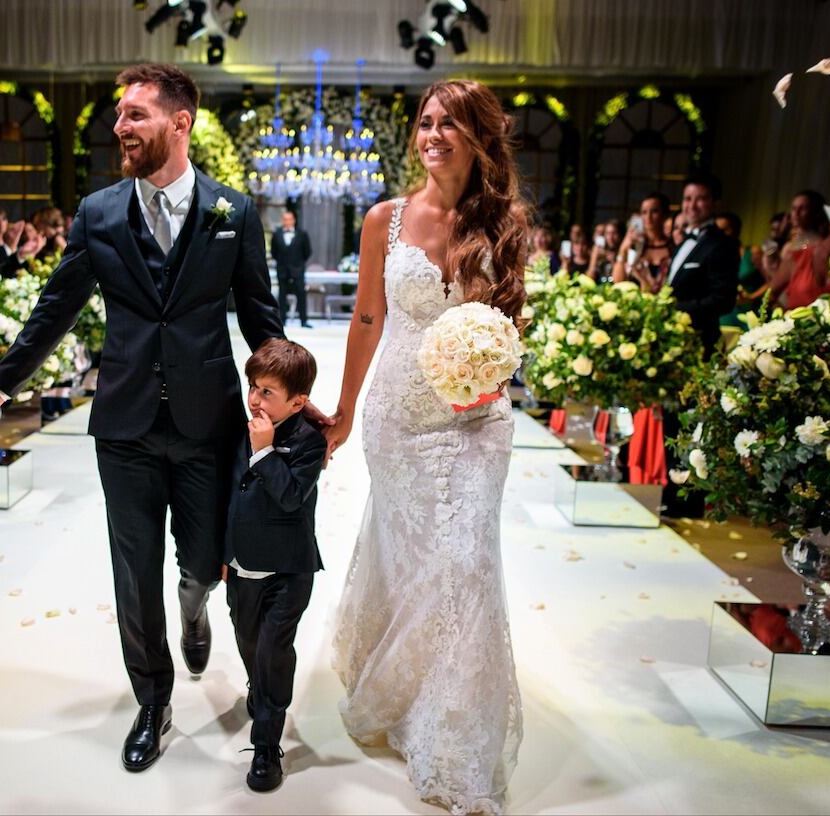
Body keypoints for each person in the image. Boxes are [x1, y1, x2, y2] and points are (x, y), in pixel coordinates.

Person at [0, 63, 288, 773]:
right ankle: (152, 700)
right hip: (125, 428)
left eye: (135, 114)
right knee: (134, 573)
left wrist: (291, 403)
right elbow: (56, 307)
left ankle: (195, 608)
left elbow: (262, 320)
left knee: (203, 564)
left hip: (207, 426)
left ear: (180, 122)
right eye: (118, 115)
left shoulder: (233, 212)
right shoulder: (99, 213)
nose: (120, 127)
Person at [325, 79, 526, 814]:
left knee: (467, 563)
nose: (433, 134)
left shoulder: (504, 222)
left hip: (478, 419)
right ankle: (406, 692)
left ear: (479, 137)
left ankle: (454, 736)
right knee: (411, 558)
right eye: (426, 121)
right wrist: (345, 411)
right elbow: (367, 320)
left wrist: (489, 373)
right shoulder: (384, 219)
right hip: (399, 418)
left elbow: (510, 323)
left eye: (450, 123)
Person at [224, 338, 325, 793]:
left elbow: (289, 498)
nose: (255, 399)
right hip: (242, 564)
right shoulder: (239, 429)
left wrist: (265, 451)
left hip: (288, 569)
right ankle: (260, 687)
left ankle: (266, 746)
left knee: (273, 652)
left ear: (298, 402)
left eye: (267, 392)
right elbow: (227, 496)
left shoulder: (308, 443)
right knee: (247, 639)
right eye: (253, 387)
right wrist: (224, 554)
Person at [666, 172, 738, 356]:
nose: (692, 205)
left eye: (701, 199)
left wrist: (675, 308)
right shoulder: (684, 241)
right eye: (687, 199)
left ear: (715, 203)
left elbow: (723, 301)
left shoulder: (722, 245)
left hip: (701, 340)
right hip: (675, 338)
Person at [765, 190, 830, 309]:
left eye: (803, 208)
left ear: (816, 212)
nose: (796, 213)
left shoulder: (826, 245)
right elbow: (774, 286)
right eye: (794, 208)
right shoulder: (790, 248)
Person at [613, 193, 673, 292]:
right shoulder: (634, 246)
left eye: (654, 211)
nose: (648, 216)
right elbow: (618, 282)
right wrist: (623, 249)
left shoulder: (672, 246)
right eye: (644, 212)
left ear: (665, 214)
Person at [714, 211, 765, 326]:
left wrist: (752, 296)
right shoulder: (715, 256)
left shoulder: (752, 252)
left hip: (750, 313)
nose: (720, 234)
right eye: (717, 230)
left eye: (725, 230)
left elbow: (771, 282)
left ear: (736, 230)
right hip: (724, 315)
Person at [270, 210, 313, 327]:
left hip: (297, 270)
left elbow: (307, 252)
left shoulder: (302, 234)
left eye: (289, 219)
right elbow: (274, 252)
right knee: (282, 295)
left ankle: (304, 320)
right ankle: (282, 320)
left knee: (301, 294)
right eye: (285, 219)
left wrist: (298, 264)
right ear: (282, 221)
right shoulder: (277, 234)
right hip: (282, 270)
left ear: (293, 220)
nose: (287, 222)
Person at [586, 218, 621, 283]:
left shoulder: (623, 253)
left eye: (614, 233)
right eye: (608, 233)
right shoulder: (599, 252)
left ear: (620, 234)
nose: (610, 237)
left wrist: (613, 262)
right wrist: (594, 257)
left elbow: (619, 280)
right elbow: (589, 279)